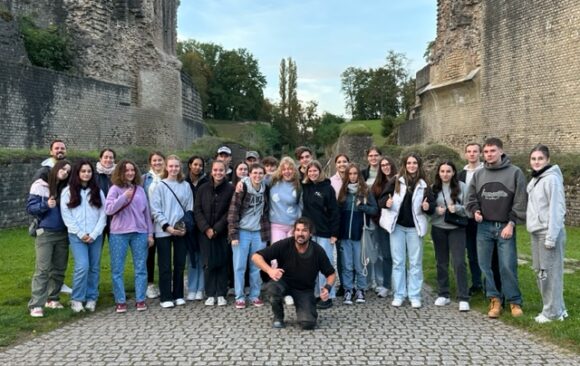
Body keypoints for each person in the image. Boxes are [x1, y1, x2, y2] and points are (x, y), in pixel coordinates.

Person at [466, 137, 527, 318]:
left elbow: (520, 201)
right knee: (485, 266)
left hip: (505, 226)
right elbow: (470, 199)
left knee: (507, 265)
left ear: (501, 151)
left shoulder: (515, 173)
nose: (489, 155)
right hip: (484, 227)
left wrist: (511, 223)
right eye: (486, 152)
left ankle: (514, 301)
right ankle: (495, 299)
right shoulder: (479, 174)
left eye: (492, 151)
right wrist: (475, 211)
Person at [252, 217, 336, 330]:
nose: (300, 234)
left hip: (304, 290)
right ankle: (278, 317)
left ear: (310, 233)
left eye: (304, 230)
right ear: (294, 231)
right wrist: (270, 270)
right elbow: (256, 257)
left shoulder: (318, 251)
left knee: (308, 324)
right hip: (284, 283)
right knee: (272, 288)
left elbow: (331, 274)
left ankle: (307, 307)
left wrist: (327, 288)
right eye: (298, 230)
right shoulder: (284, 244)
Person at [379, 153, 433, 309]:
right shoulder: (396, 181)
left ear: (418, 165)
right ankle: (399, 294)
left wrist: (428, 207)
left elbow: (431, 205)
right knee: (398, 262)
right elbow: (382, 200)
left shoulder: (424, 184)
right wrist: (386, 203)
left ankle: (414, 295)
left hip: (414, 229)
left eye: (414, 163)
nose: (411, 165)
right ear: (404, 164)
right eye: (409, 163)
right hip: (397, 228)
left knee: (415, 262)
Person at [106, 160, 154, 313]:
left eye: (132, 170)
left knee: (141, 267)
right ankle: (120, 301)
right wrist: (122, 198)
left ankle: (140, 299)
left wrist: (150, 234)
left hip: (139, 232)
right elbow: (108, 209)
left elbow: (146, 213)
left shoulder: (139, 190)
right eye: (127, 170)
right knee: (117, 268)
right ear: (120, 172)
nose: (130, 173)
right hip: (119, 233)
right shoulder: (114, 189)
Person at [526, 144, 567, 323]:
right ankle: (559, 309)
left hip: (548, 233)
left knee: (550, 274)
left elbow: (556, 209)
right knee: (541, 272)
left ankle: (551, 313)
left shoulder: (552, 179)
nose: (537, 162)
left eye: (540, 159)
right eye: (534, 159)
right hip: (536, 231)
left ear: (548, 160)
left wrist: (551, 237)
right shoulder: (537, 179)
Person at [60, 160, 107, 313]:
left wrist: (94, 234)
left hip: (95, 235)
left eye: (89, 171)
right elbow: (67, 216)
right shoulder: (67, 191)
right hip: (76, 236)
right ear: (77, 173)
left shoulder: (98, 191)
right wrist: (81, 234)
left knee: (94, 267)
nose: (86, 174)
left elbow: (103, 214)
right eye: (83, 171)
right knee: (82, 266)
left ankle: (92, 297)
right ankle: (77, 299)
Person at [27, 160, 71, 317]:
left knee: (59, 269)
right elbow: (30, 208)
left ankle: (52, 298)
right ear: (56, 169)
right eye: (62, 169)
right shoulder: (40, 185)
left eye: (67, 171)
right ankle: (36, 304)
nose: (65, 172)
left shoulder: (66, 188)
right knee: (43, 269)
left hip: (62, 233)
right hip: (45, 232)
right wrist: (46, 204)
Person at [151, 155, 193, 308]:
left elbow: (189, 208)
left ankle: (178, 294)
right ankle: (166, 296)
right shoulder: (160, 186)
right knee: (165, 264)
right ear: (166, 168)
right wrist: (167, 226)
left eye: (176, 166)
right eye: (171, 166)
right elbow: (155, 209)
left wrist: (183, 227)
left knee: (180, 264)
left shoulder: (185, 186)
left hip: (181, 230)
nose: (174, 169)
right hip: (164, 231)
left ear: (179, 167)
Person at [31, 139, 73, 295]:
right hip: (47, 222)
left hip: (63, 223)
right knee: (44, 265)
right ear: (51, 151)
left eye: (62, 148)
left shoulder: (68, 168)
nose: (59, 151)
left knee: (59, 263)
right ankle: (39, 300)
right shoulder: (44, 171)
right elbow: (34, 199)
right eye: (56, 148)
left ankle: (55, 291)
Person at [227, 163, 270, 309]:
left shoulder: (266, 188)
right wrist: (233, 234)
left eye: (260, 173)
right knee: (239, 266)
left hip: (259, 232)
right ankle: (240, 296)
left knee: (256, 265)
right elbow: (233, 211)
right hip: (243, 231)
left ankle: (255, 295)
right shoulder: (242, 188)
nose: (257, 176)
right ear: (249, 174)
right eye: (255, 173)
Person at [429, 161, 470, 312]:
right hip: (438, 227)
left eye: (448, 171)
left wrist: (457, 208)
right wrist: (435, 210)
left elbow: (469, 208)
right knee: (441, 262)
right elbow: (426, 208)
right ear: (438, 173)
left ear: (453, 172)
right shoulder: (433, 188)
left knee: (459, 261)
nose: (445, 174)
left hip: (456, 228)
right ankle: (443, 293)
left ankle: (463, 297)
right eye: (442, 171)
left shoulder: (462, 187)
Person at [194, 160, 235, 306]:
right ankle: (210, 293)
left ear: (226, 172)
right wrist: (206, 228)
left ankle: (221, 293)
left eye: (221, 170)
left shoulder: (230, 189)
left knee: (222, 262)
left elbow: (230, 211)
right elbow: (197, 210)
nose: (218, 173)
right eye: (216, 170)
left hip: (222, 232)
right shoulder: (203, 188)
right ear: (211, 171)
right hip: (205, 232)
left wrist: (217, 228)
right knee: (208, 262)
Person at [337, 164, 378, 304]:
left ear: (359, 176)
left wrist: (362, 207)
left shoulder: (365, 191)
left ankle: (361, 289)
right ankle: (348, 289)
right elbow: (338, 213)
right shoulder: (343, 193)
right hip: (344, 235)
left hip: (359, 233)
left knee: (360, 263)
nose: (353, 176)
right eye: (350, 174)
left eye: (355, 174)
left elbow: (374, 210)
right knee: (347, 264)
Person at [301, 160, 339, 309]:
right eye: (309, 171)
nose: (312, 173)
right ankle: (317, 294)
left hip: (325, 231)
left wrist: (334, 233)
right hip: (310, 232)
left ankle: (327, 296)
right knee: (311, 264)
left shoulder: (328, 188)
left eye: (315, 171)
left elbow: (334, 212)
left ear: (320, 171)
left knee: (325, 264)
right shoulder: (305, 187)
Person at [457, 143, 486, 295]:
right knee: (472, 253)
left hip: (483, 217)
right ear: (466, 154)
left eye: (475, 151)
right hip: (467, 218)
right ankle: (476, 283)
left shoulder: (486, 171)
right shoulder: (461, 174)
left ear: (480, 153)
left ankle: (490, 284)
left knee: (486, 253)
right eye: (469, 151)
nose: (472, 154)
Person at [370, 156, 397, 298]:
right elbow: (374, 205)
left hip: (399, 224)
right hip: (383, 225)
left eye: (388, 164)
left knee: (398, 256)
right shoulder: (378, 185)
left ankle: (399, 285)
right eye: (383, 165)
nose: (386, 167)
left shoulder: (400, 181)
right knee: (386, 255)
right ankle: (386, 285)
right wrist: (379, 220)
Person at [142, 151, 166, 299]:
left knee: (164, 254)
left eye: (160, 160)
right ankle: (149, 284)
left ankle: (164, 284)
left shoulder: (168, 177)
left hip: (164, 221)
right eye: (154, 161)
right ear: (151, 163)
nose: (157, 163)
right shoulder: (145, 179)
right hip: (149, 221)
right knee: (149, 254)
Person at [185, 156, 208, 301]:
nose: (198, 167)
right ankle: (192, 287)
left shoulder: (206, 182)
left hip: (203, 223)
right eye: (195, 164)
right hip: (189, 224)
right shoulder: (184, 181)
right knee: (192, 256)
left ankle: (201, 288)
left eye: (200, 165)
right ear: (189, 165)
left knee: (203, 257)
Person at [361, 146, 384, 294]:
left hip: (381, 216)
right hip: (367, 216)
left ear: (380, 156)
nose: (374, 158)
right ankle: (368, 281)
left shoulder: (384, 173)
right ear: (367, 157)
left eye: (376, 155)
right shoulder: (363, 174)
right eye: (371, 155)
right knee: (367, 250)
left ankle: (381, 281)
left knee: (380, 251)